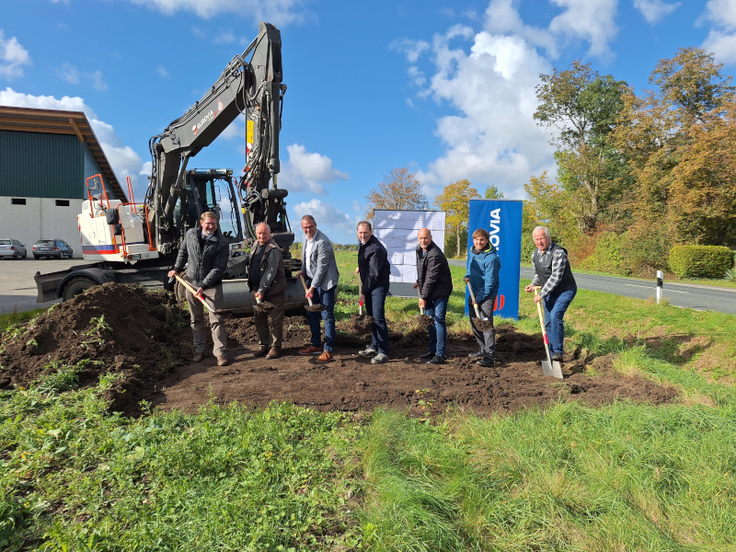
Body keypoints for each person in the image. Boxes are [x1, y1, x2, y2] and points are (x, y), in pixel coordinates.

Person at [168, 211, 230, 367]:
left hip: (211, 286)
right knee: (196, 319)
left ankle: (220, 353)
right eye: (208, 223)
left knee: (216, 319)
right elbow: (183, 252)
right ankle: (199, 350)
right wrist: (176, 268)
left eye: (214, 224)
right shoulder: (191, 234)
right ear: (201, 223)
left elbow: (218, 268)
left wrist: (203, 286)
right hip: (191, 282)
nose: (211, 226)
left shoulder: (221, 242)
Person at [524, 226, 577, 362]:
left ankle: (558, 352)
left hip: (564, 290)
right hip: (549, 292)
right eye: (536, 239)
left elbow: (555, 278)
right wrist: (532, 285)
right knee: (547, 322)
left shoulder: (558, 253)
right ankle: (551, 352)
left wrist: (541, 294)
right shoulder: (535, 254)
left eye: (542, 238)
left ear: (548, 238)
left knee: (555, 317)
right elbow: (538, 275)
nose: (539, 242)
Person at [296, 215, 339, 364]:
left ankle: (328, 350)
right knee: (312, 313)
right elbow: (306, 258)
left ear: (316, 225)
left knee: (326, 314)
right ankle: (315, 345)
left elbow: (321, 268)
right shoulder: (304, 238)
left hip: (325, 282)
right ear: (302, 228)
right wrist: (303, 271)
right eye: (305, 227)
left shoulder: (323, 242)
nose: (308, 230)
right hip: (311, 279)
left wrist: (312, 287)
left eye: (310, 227)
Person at [248, 222, 287, 359]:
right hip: (257, 290)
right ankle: (263, 345)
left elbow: (271, 271)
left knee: (275, 320)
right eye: (259, 233)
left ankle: (275, 347)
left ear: (270, 234)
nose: (261, 236)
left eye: (264, 233)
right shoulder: (255, 245)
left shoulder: (273, 249)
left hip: (273, 290)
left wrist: (262, 288)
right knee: (260, 319)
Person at [414, 228, 453, 364]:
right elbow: (422, 271)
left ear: (430, 238)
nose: (423, 240)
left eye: (426, 238)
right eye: (421, 238)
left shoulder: (435, 254)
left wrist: (423, 297)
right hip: (430, 291)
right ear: (418, 239)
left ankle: (440, 354)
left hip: (440, 292)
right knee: (430, 322)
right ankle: (432, 350)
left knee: (438, 321)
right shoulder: (420, 250)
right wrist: (419, 282)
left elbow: (431, 277)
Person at [464, 228, 501, 367]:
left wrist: (478, 299)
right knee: (475, 322)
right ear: (473, 240)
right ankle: (482, 348)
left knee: (485, 324)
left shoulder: (492, 258)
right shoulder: (472, 251)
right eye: (477, 239)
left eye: (482, 240)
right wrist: (468, 275)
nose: (479, 242)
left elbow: (490, 284)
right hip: (474, 291)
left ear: (486, 241)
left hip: (487, 294)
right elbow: (470, 267)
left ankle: (489, 355)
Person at [356, 221, 390, 364]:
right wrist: (361, 268)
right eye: (360, 232)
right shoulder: (363, 244)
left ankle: (383, 351)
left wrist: (364, 291)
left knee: (377, 317)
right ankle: (374, 346)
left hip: (378, 285)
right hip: (370, 284)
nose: (363, 235)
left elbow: (374, 274)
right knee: (371, 317)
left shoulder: (376, 248)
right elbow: (367, 263)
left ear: (371, 232)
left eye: (365, 232)